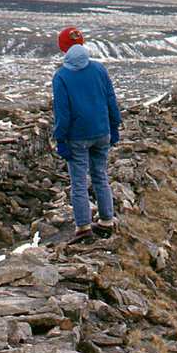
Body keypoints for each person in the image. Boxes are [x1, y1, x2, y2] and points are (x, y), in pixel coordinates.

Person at [51, 25, 120, 245]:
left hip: (77, 137)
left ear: (63, 48)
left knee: (79, 182)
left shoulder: (61, 76)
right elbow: (111, 99)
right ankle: (107, 222)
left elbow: (63, 113)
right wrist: (115, 127)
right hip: (102, 132)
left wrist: (61, 139)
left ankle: (83, 228)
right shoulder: (99, 69)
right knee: (101, 176)